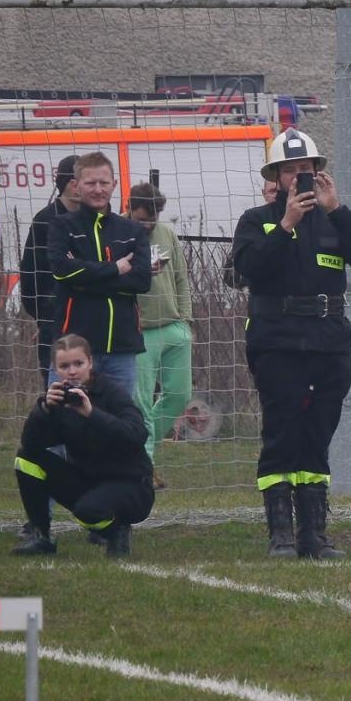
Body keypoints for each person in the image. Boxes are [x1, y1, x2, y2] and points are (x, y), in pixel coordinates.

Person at [231, 129, 351, 560]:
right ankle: (280, 532)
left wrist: (339, 211)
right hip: (278, 341)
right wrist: (286, 225)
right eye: (292, 171)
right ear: (276, 176)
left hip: (329, 342)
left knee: (317, 436)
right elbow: (250, 268)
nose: (301, 178)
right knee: (282, 434)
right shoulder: (256, 220)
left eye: (307, 170)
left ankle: (314, 533)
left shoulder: (333, 219)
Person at [10, 334, 153, 558]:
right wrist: (44, 410)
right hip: (89, 479)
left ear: (90, 363)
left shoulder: (112, 392)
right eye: (64, 366)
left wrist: (90, 413)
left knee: (87, 511)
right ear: (56, 370)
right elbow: (31, 445)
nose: (72, 371)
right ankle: (41, 536)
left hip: (131, 484)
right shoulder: (59, 401)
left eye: (79, 363)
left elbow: (137, 434)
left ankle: (118, 530)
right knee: (25, 459)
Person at [48, 151, 151, 392]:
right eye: (90, 183)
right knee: (64, 418)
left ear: (114, 184)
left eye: (103, 183)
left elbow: (141, 280)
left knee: (118, 422)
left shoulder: (132, 229)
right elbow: (62, 270)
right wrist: (115, 268)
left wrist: (85, 279)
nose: (97, 189)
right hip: (73, 349)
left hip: (121, 349)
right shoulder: (61, 226)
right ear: (76, 185)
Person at [128, 182, 191, 490]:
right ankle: (143, 469)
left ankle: (139, 453)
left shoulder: (166, 234)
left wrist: (185, 319)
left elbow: (180, 275)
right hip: (140, 332)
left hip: (173, 327)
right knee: (140, 404)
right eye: (141, 219)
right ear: (129, 209)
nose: (147, 224)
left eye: (152, 218)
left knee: (180, 395)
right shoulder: (120, 234)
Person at [18, 154, 80, 375]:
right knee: (56, 388)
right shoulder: (44, 221)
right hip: (53, 321)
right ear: (71, 184)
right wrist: (43, 316)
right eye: (86, 181)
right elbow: (29, 274)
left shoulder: (93, 219)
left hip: (89, 319)